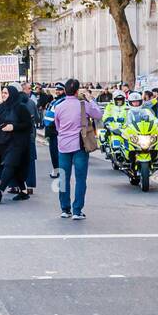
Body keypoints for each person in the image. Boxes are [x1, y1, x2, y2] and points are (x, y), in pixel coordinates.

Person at [52, 78, 103, 219]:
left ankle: (64, 208)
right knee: (80, 179)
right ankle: (77, 210)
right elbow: (98, 114)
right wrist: (91, 99)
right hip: (80, 145)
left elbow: (57, 126)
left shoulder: (59, 107)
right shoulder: (84, 105)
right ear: (77, 91)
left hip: (63, 145)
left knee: (63, 178)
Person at [0, 84, 32, 202]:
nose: (3, 95)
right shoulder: (1, 107)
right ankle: (23, 192)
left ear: (12, 94)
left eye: (6, 93)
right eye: (2, 93)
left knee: (9, 165)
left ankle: (0, 192)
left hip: (18, 143)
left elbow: (28, 124)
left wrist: (13, 127)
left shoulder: (21, 108)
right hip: (4, 143)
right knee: (15, 168)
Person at [44, 82, 69, 178]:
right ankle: (57, 170)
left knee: (56, 152)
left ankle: (58, 170)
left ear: (64, 91)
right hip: (51, 129)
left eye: (60, 90)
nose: (57, 91)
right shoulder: (55, 101)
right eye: (57, 90)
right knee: (53, 152)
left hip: (56, 130)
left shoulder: (62, 101)